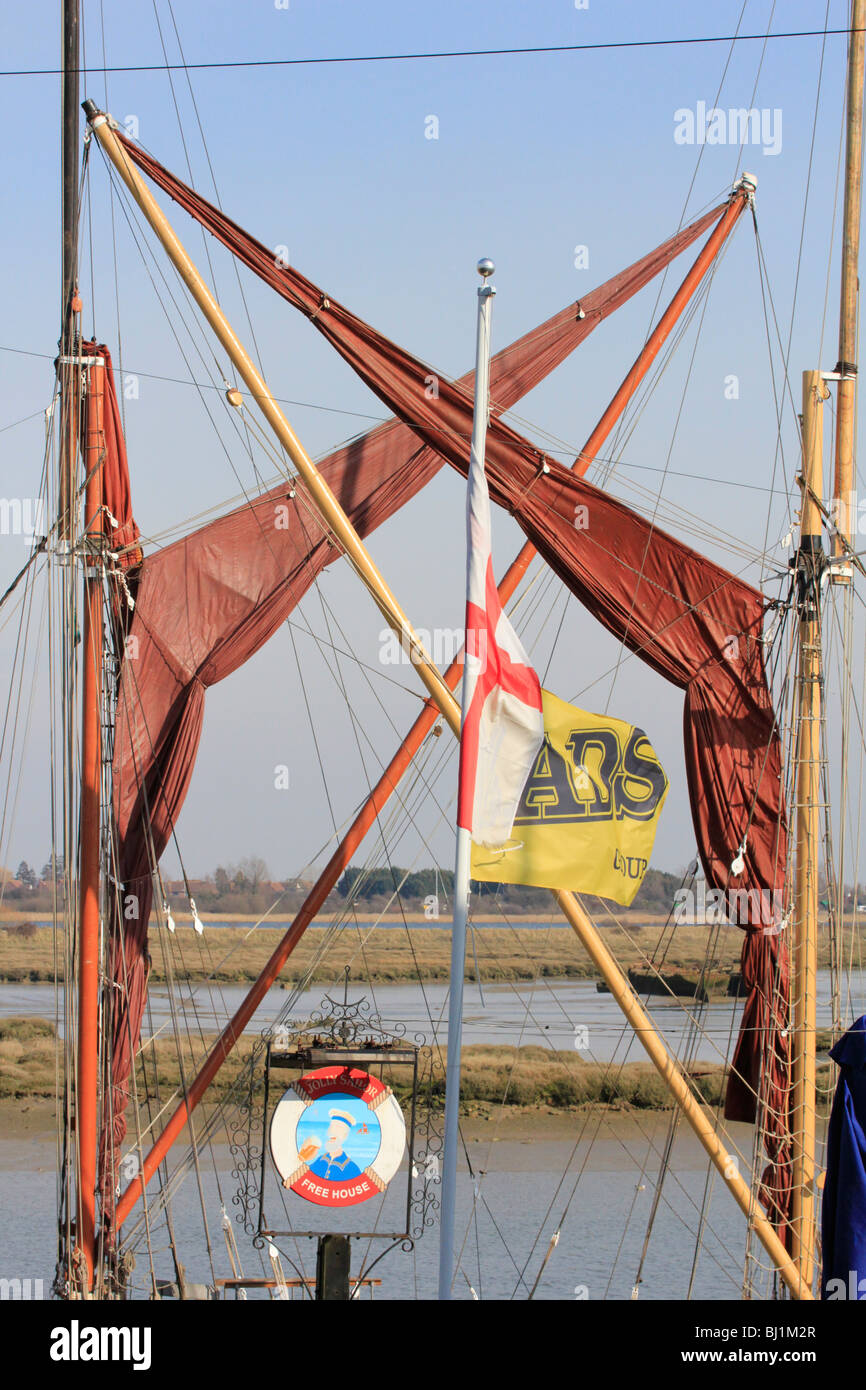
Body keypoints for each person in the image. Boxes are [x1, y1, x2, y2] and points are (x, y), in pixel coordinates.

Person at [307, 1108, 362, 1181]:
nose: (332, 1131)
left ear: (345, 1136)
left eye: (338, 1128)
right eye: (331, 1127)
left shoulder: (352, 1169)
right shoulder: (320, 1160)